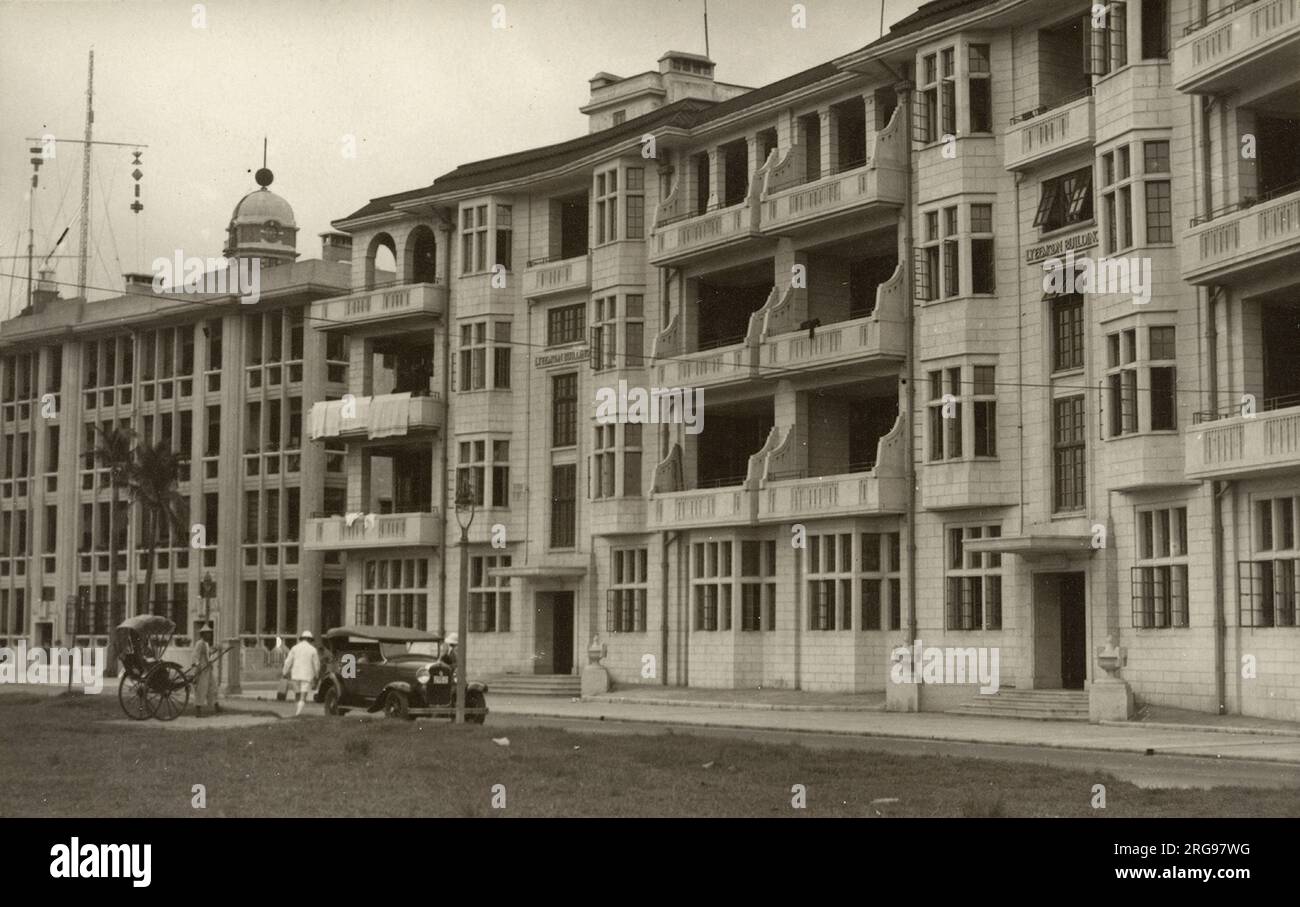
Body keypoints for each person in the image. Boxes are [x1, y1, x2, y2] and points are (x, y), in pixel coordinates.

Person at [282, 630, 320, 717]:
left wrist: (284, 672)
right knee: (303, 695)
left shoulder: (295, 648)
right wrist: (317, 675)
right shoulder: (313, 650)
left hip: (295, 674)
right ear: (310, 640)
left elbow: (288, 661)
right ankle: (298, 712)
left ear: (302, 639)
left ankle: (297, 712)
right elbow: (316, 664)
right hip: (307, 675)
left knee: (297, 694)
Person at [192, 625, 220, 718]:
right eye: (207, 633)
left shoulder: (206, 644)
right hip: (202, 668)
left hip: (208, 667)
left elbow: (207, 654)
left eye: (209, 633)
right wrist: (197, 665)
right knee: (201, 688)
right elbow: (196, 655)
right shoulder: (199, 643)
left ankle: (216, 706)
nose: (209, 635)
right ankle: (198, 709)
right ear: (203, 634)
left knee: (213, 686)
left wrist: (214, 651)